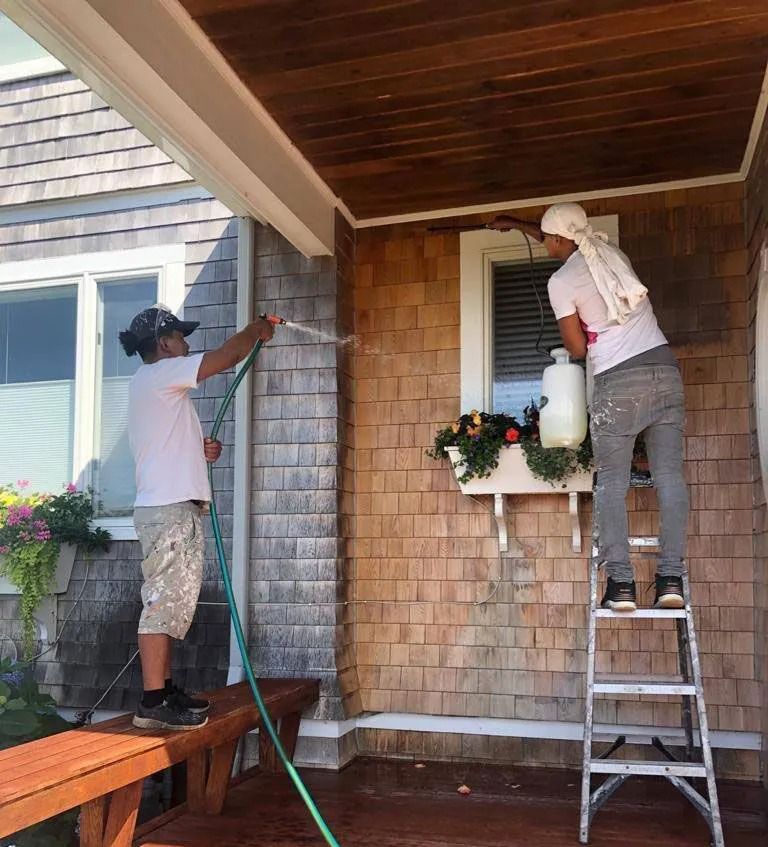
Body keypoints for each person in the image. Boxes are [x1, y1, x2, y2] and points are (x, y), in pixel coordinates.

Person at [488, 203, 688, 612]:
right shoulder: (611, 253)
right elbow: (563, 239)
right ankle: (671, 579)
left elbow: (577, 348)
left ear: (557, 239)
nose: (545, 246)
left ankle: (621, 584)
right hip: (665, 372)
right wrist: (515, 224)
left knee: (611, 482)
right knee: (670, 477)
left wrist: (585, 330)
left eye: (547, 240)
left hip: (619, 380)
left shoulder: (561, 281)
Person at [119, 305, 274, 729]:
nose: (186, 343)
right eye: (180, 337)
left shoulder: (153, 386)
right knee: (161, 601)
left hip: (170, 507)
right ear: (164, 344)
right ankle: (153, 701)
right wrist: (255, 330)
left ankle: (164, 690)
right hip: (168, 510)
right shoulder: (160, 374)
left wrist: (201, 449)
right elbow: (227, 356)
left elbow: (164, 444)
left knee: (171, 600)